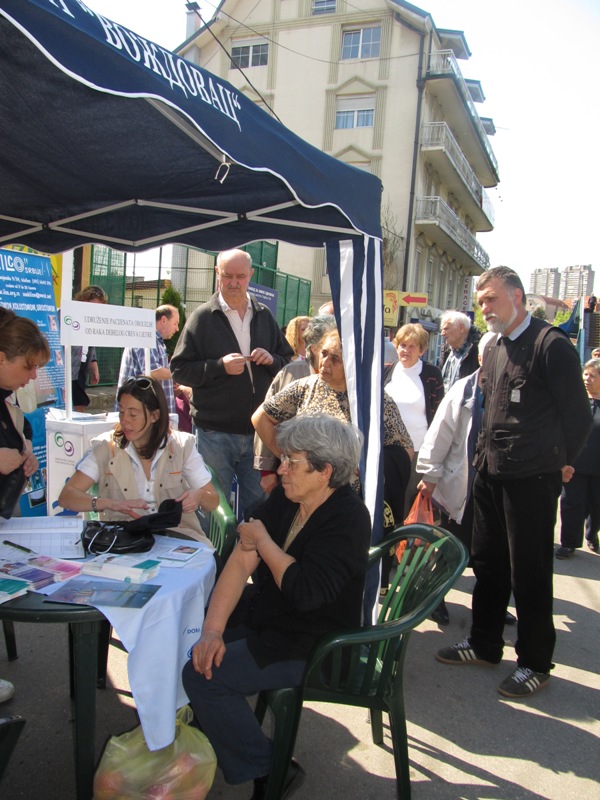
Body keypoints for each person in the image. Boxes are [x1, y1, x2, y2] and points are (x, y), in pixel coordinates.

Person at [182, 414, 371, 798]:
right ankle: (208, 735)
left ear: (325, 471)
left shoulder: (347, 517)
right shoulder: (289, 498)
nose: (279, 469)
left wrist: (265, 543)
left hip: (317, 644)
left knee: (203, 676)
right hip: (277, 620)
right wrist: (212, 632)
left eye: (290, 462)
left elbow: (306, 593)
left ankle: (271, 769)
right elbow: (239, 563)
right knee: (196, 638)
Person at [436, 267, 592, 699]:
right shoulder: (497, 347)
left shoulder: (551, 345)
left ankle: (535, 662)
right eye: (480, 301)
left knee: (531, 572)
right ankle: (485, 643)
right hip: (490, 471)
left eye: (491, 299)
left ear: (517, 296)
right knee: (487, 563)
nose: (484, 308)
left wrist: (561, 463)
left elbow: (578, 417)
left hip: (532, 478)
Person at [171, 249, 293, 516]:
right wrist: (219, 367)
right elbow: (178, 370)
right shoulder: (202, 317)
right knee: (213, 510)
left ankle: (247, 558)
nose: (234, 282)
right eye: (228, 276)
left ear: (250, 276)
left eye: (240, 276)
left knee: (258, 509)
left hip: (259, 433)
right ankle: (214, 558)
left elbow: (288, 361)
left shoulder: (263, 315)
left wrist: (271, 359)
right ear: (218, 274)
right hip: (215, 433)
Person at [252, 329, 414, 496]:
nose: (325, 362)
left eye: (335, 359)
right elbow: (260, 418)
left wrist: (371, 470)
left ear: (352, 364)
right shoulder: (304, 387)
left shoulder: (374, 400)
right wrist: (287, 458)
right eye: (324, 353)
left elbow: (405, 450)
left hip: (352, 498)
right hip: (305, 493)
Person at [57, 376, 219, 542]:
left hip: (178, 537)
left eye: (133, 414)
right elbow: (67, 497)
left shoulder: (181, 446)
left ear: (155, 416)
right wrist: (108, 503)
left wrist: (199, 496)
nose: (124, 420)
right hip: (125, 540)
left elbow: (213, 500)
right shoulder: (106, 447)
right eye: (121, 412)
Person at [0, 307, 51, 705]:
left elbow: (21, 426)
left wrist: (25, 447)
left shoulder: (6, 395)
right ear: (1, 357)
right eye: (27, 366)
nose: (32, 376)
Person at [254, 315, 336, 494]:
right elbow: (264, 418)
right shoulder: (292, 374)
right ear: (315, 349)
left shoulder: (342, 378)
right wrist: (269, 470)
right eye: (326, 349)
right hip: (288, 474)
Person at [383, 322, 444, 517]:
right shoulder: (386, 371)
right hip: (390, 449)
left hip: (417, 451)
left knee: (410, 501)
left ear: (422, 350)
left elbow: (438, 416)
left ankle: (408, 544)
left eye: (412, 347)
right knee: (389, 499)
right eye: (402, 345)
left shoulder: (431, 375)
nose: (406, 351)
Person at [556, 358, 600, 558]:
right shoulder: (575, 400)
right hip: (575, 463)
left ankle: (592, 534)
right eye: (586, 374)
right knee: (571, 503)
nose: (587, 379)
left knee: (597, 504)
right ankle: (569, 543)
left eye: (593, 376)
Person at [117, 304, 180, 414]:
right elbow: (153, 372)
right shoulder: (145, 338)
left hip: (147, 412)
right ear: (164, 320)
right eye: (175, 323)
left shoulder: (157, 341)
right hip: (138, 412)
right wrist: (182, 373)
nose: (177, 329)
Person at [71, 285, 107, 412]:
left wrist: (94, 367)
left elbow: (90, 347)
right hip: (68, 368)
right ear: (85, 300)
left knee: (80, 403)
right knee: (76, 403)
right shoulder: (69, 313)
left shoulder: (91, 319)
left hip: (81, 367)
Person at [439, 310, 480, 392]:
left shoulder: (478, 351)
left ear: (461, 328)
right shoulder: (447, 351)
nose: (442, 333)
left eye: (446, 329)